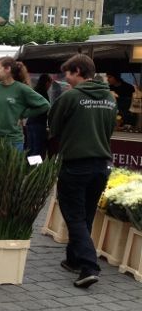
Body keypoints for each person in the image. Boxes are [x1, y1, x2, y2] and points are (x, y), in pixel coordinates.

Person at [49, 54, 116, 289]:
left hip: (76, 163)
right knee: (86, 215)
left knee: (74, 216)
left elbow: (54, 127)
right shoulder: (109, 97)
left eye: (68, 73)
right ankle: (73, 259)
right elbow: (110, 130)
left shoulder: (71, 97)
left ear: (77, 71)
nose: (66, 78)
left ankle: (89, 266)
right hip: (101, 164)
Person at [0, 57, 50, 151]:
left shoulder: (22, 89)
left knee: (10, 166)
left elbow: (45, 105)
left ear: (8, 69)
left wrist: (23, 114)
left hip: (12, 140)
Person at [25, 74, 53, 157]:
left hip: (30, 123)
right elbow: (47, 108)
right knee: (37, 149)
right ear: (47, 83)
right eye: (50, 84)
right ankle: (35, 168)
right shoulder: (43, 93)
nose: (49, 86)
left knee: (31, 148)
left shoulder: (34, 91)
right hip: (38, 124)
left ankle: (28, 167)